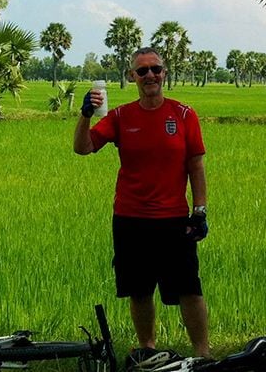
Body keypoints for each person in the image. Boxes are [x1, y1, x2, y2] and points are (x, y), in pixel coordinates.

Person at [73, 47, 210, 364]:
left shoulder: (184, 115)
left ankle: (203, 354)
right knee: (140, 289)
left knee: (189, 288)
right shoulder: (121, 116)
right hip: (130, 218)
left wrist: (199, 212)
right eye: (143, 71)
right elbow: (84, 148)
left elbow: (196, 166)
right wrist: (85, 115)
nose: (150, 75)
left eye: (156, 69)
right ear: (131, 76)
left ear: (165, 73)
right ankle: (148, 349)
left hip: (174, 218)